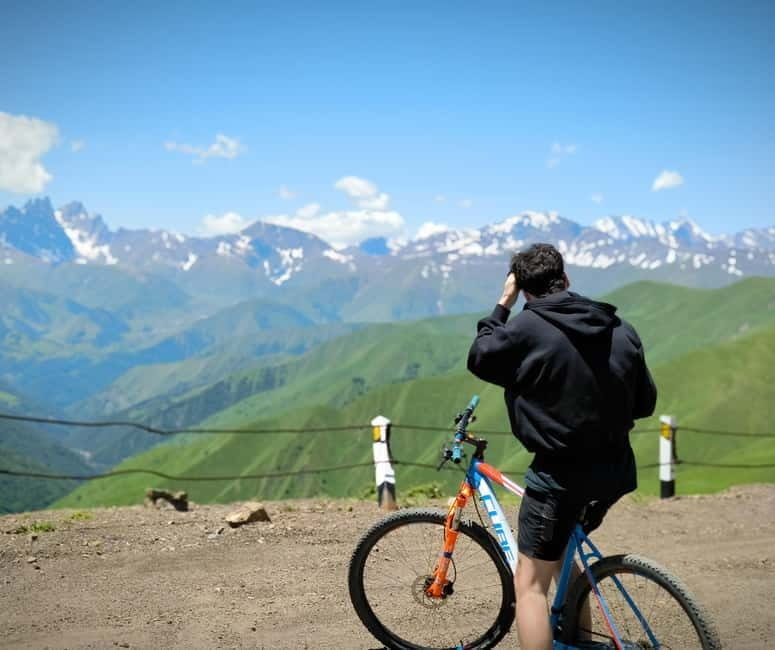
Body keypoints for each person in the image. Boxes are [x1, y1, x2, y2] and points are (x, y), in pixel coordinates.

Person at [467, 242, 657, 650]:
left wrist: (503, 304)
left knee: (530, 583)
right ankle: (580, 641)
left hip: (559, 476)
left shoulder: (523, 329)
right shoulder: (620, 328)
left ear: (521, 288)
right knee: (561, 552)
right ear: (566, 279)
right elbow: (645, 403)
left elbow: (480, 357)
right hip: (616, 471)